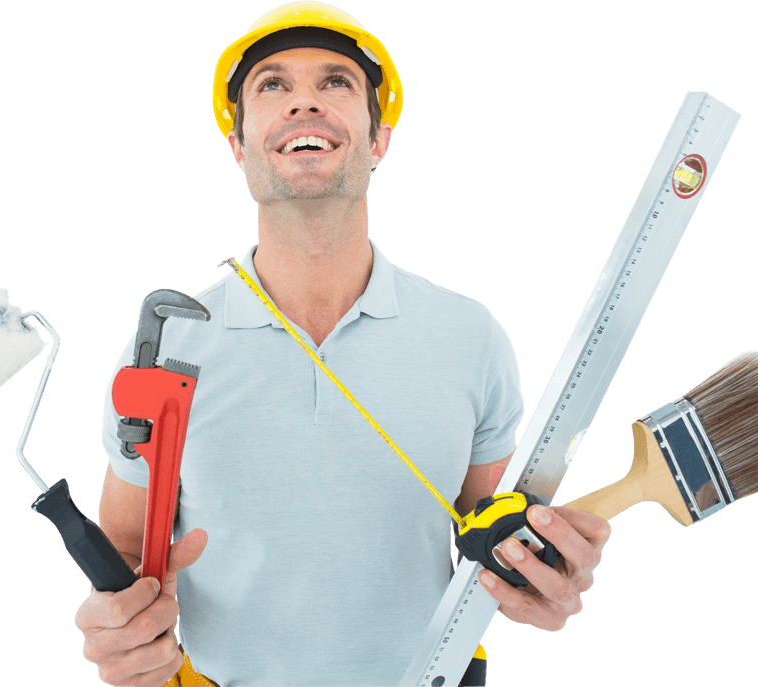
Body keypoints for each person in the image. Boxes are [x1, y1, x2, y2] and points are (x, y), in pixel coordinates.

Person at [74, 3, 611, 686]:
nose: (304, 100)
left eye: (335, 83)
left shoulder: (470, 335)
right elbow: (123, 551)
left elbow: (495, 536)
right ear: (239, 146)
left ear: (378, 136)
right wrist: (118, 631)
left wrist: (546, 575)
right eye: (272, 85)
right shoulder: (165, 351)